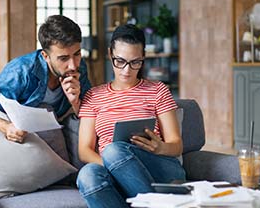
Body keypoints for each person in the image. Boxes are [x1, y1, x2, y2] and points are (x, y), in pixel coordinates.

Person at [76, 24, 185, 208]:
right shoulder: (93, 96)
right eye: (120, 61)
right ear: (111, 54)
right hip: (110, 167)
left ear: (143, 58)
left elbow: (176, 145)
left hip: (158, 167)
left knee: (112, 149)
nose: (127, 70)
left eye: (135, 62)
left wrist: (160, 148)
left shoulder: (158, 90)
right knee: (87, 175)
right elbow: (84, 150)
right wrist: (114, 166)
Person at [0, 15, 91, 143]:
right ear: (45, 56)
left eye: (77, 54)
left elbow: (90, 112)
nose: (73, 65)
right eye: (63, 58)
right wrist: (7, 127)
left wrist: (75, 103)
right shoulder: (21, 70)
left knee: (83, 125)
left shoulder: (79, 67)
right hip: (19, 130)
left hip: (55, 125)